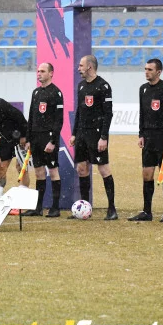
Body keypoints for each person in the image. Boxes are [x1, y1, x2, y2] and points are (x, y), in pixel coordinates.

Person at [131, 58, 163, 222]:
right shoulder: (143, 89)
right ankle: (147, 211)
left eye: (150, 69)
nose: (146, 72)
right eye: (145, 69)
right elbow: (142, 114)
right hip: (148, 137)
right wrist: (141, 134)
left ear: (158, 72)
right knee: (147, 174)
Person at [70, 55, 117, 220]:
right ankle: (84, 208)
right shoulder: (81, 86)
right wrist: (75, 133)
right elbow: (79, 111)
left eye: (81, 65)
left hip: (97, 135)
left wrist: (103, 137)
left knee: (103, 169)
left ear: (89, 66)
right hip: (82, 134)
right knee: (81, 169)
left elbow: (108, 114)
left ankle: (112, 209)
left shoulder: (103, 86)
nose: (78, 68)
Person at [24, 62, 64, 217]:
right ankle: (38, 207)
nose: (38, 73)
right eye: (38, 71)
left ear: (51, 73)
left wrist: (53, 141)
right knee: (39, 172)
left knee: (53, 171)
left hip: (48, 138)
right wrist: (28, 139)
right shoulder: (35, 93)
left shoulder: (56, 93)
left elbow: (58, 120)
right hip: (36, 138)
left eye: (42, 71)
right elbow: (31, 117)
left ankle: (55, 208)